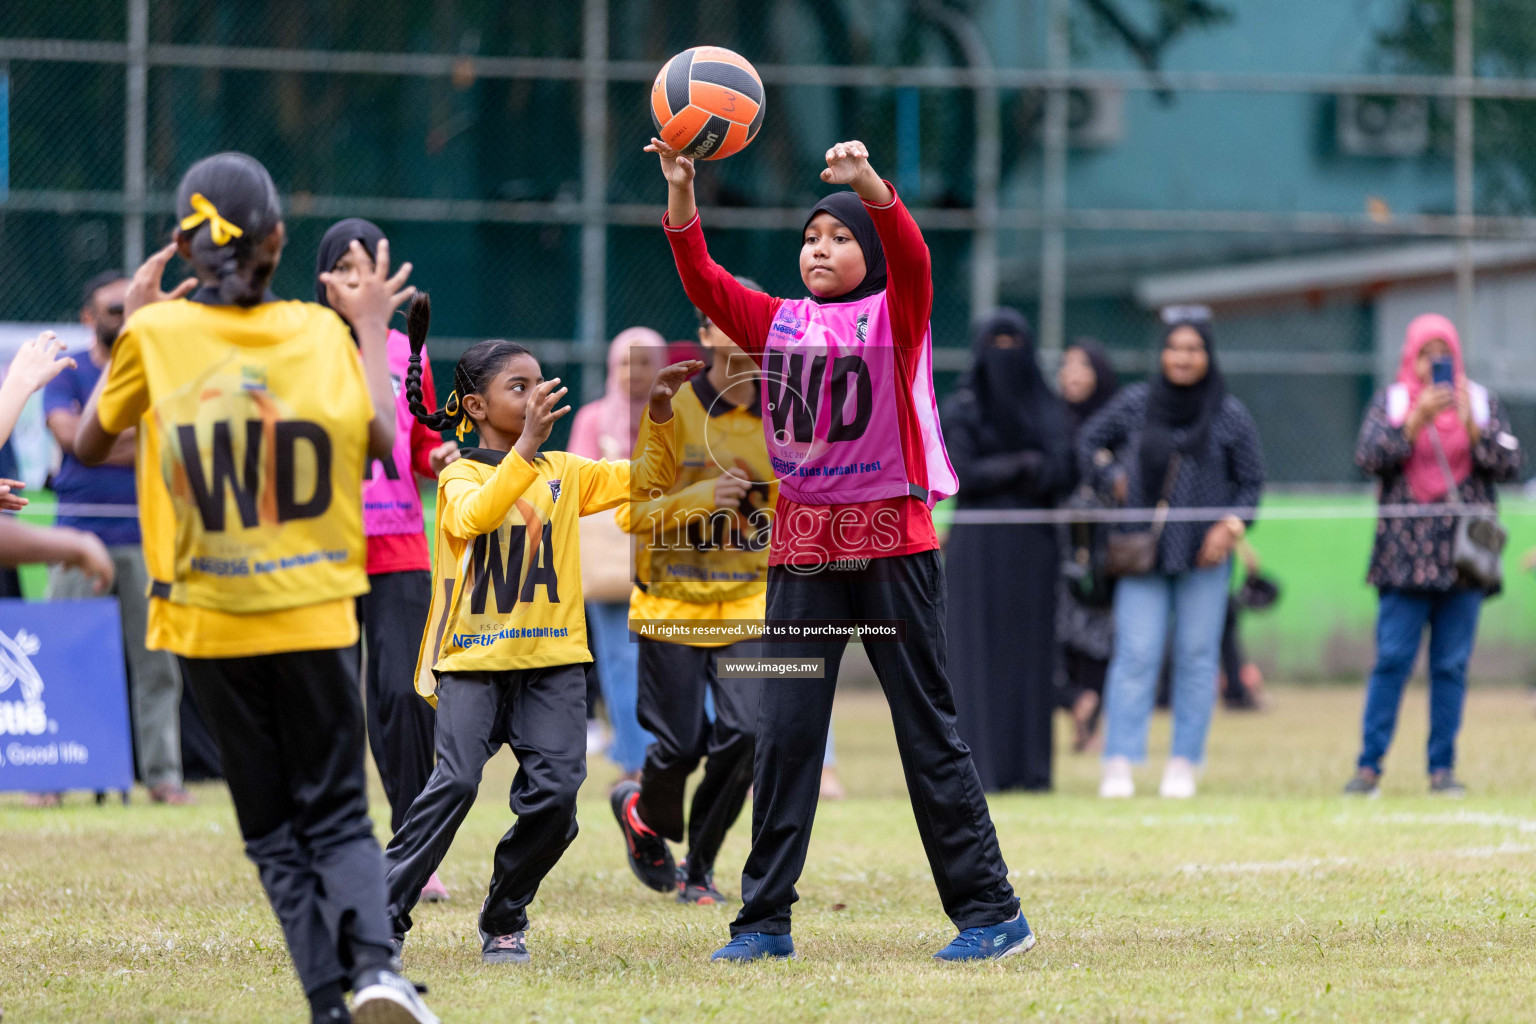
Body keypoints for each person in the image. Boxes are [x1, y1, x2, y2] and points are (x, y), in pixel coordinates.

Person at [73, 152, 438, 1024]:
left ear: (186, 245)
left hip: (208, 619)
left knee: (275, 832)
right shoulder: (318, 335)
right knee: (341, 815)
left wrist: (138, 328)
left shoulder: (157, 339)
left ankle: (327, 1004)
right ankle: (379, 972)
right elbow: (389, 440)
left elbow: (89, 445)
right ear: (278, 241)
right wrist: (369, 326)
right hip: (312, 608)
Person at [656, 135, 1032, 963]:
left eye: (839, 237)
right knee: (784, 733)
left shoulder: (899, 311)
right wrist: (683, 192)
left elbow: (913, 252)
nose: (820, 249)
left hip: (892, 546)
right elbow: (703, 282)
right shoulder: (776, 320)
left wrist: (870, 186)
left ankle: (992, 914)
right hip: (802, 555)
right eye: (810, 238)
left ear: (867, 253)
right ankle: (763, 923)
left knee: (926, 729)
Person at [380, 332, 697, 965]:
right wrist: (524, 449)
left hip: (552, 663)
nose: (534, 397)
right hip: (473, 662)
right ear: (474, 407)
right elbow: (476, 517)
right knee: (458, 782)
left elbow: (650, 477)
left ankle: (504, 916)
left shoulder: (565, 474)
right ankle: (380, 914)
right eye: (516, 388)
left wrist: (661, 415)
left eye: (537, 384)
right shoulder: (458, 476)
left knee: (556, 798)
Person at [609, 287, 774, 906]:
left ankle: (699, 867)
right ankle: (641, 813)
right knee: (678, 747)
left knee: (748, 734)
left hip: (750, 608)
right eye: (724, 318)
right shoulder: (671, 408)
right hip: (671, 606)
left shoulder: (784, 414)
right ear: (705, 335)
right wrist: (700, 500)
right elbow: (631, 513)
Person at [315, 219, 457, 905]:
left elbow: (421, 437)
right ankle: (332, 844)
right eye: (343, 265)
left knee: (405, 696)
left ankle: (412, 848)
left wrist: (442, 456)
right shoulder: (300, 347)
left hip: (400, 545)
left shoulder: (408, 349)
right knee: (328, 703)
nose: (356, 276)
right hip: (318, 551)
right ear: (323, 279)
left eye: (367, 264)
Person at [1079, 311, 1265, 800]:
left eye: (1194, 349)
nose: (1183, 357)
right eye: (1175, 347)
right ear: (1162, 353)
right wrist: (1111, 477)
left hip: (1206, 556)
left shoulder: (1229, 413)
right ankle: (1118, 761)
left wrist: (1231, 526)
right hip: (1143, 553)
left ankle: (1184, 762)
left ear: (1208, 356)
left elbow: (1251, 483)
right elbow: (1087, 441)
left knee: (1198, 658)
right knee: (1136, 655)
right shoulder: (1137, 403)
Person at [1345, 313, 1522, 798]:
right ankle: (1369, 768)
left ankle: (1441, 769)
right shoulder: (1393, 401)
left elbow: (1510, 464)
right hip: (1404, 557)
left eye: (1444, 354)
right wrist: (1414, 422)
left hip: (1465, 559)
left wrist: (1472, 426)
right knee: (1393, 660)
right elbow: (1368, 458)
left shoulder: (1482, 403)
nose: (1436, 363)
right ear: (1411, 356)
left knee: (1451, 665)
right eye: (1427, 353)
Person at [39, 271, 191, 807]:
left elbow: (165, 439)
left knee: (156, 664)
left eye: (128, 309)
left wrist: (98, 434)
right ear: (88, 318)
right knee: (60, 658)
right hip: (74, 540)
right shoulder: (68, 370)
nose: (122, 319)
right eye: (111, 309)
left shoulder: (154, 371)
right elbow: (72, 441)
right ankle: (49, 778)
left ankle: (164, 777)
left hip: (145, 538)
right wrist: (125, 437)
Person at [943, 310, 1074, 792]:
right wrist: (1023, 464)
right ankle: (981, 770)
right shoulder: (963, 408)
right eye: (994, 343)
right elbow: (961, 473)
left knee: (1031, 657)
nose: (1004, 355)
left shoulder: (1047, 407)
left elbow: (1064, 468)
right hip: (977, 549)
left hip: (1035, 549)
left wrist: (1009, 469)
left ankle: (1029, 770)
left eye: (1012, 342)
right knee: (975, 654)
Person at [568, 328, 664, 784]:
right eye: (625, 362)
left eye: (644, 362)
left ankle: (684, 759)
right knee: (621, 665)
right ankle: (635, 762)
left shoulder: (681, 414)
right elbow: (578, 486)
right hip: (612, 563)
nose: (634, 372)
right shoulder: (592, 419)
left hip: (675, 558)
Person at [1056, 338, 1121, 752]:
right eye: (1067, 365)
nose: (1073, 374)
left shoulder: (1116, 421)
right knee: (1060, 632)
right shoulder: (1049, 418)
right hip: (1056, 544)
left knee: (1098, 632)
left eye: (1083, 366)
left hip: (1103, 546)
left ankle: (1090, 720)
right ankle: (1074, 703)